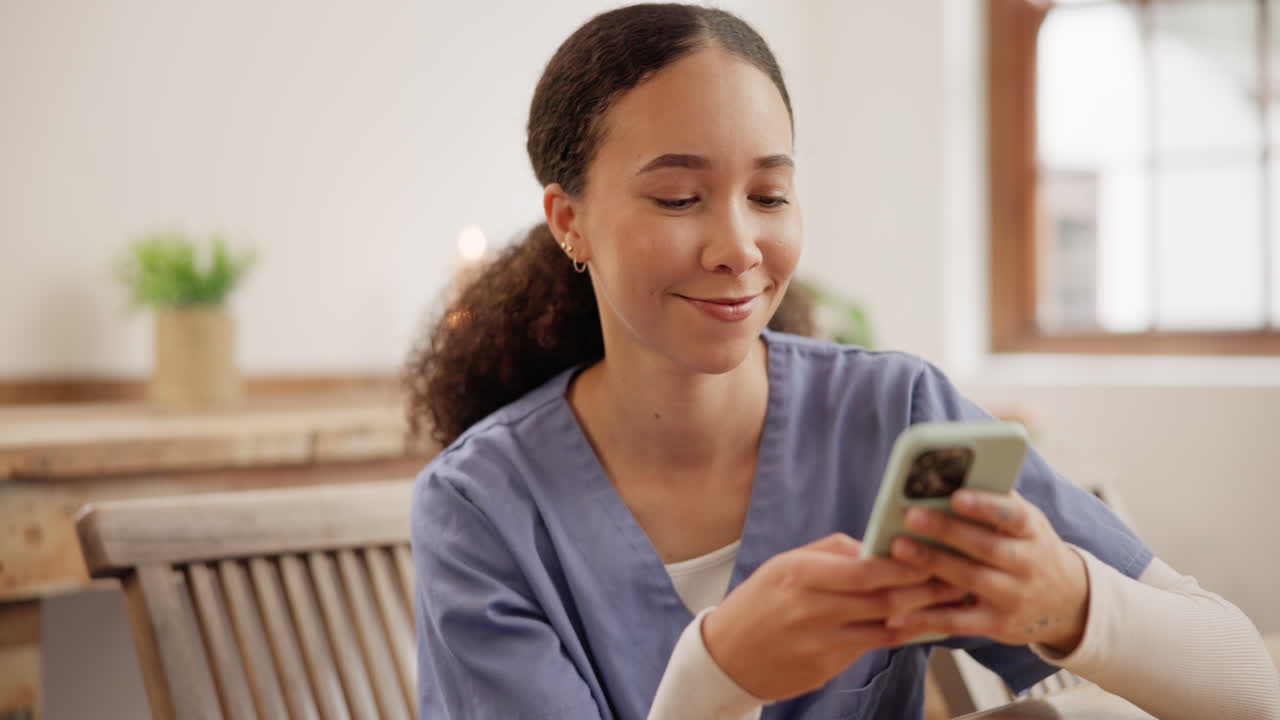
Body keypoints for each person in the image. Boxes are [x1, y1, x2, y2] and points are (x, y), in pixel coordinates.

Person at [406, 4, 1280, 719]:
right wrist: (717, 676)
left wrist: (1071, 603)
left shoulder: (889, 414)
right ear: (569, 221)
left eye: (770, 195)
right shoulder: (481, 509)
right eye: (679, 197)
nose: (739, 247)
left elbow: (1249, 684)